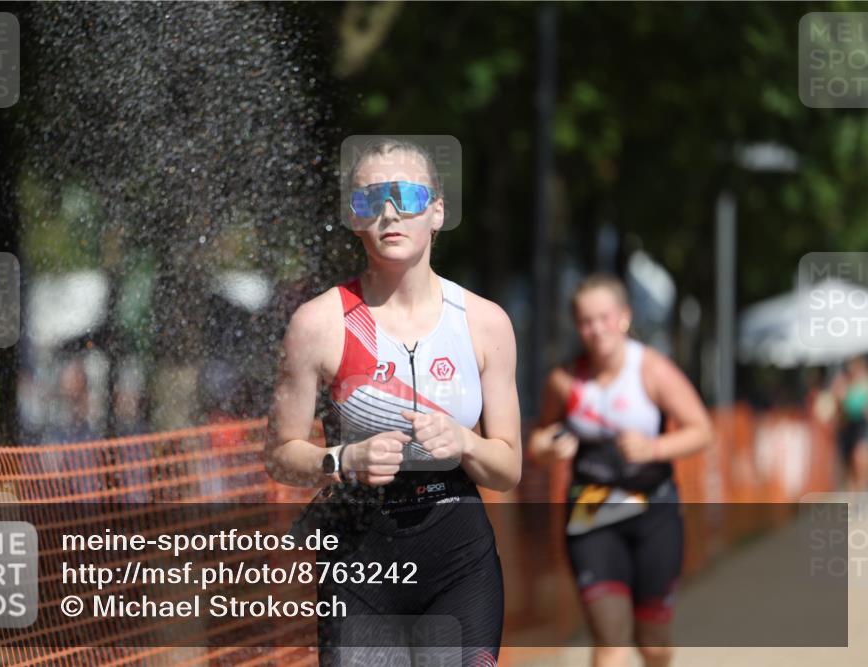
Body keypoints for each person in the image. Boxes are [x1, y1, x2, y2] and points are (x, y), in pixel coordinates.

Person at [266, 137, 521, 666]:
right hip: (360, 562)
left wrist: (465, 442)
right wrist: (342, 459)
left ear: (437, 211)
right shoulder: (318, 324)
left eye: (405, 195)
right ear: (354, 220)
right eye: (368, 201)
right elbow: (279, 455)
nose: (388, 213)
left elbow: (508, 468)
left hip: (457, 560)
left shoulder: (484, 322)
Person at [527, 274, 712, 667]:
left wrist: (654, 447)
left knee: (653, 643)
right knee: (610, 642)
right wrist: (546, 447)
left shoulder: (651, 370)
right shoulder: (564, 381)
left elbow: (702, 430)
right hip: (590, 512)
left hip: (655, 514)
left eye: (604, 318)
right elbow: (538, 441)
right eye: (585, 321)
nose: (596, 330)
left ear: (624, 317)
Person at [832, 356, 868, 491]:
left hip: (862, 427)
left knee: (859, 460)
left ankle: (862, 493)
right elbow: (839, 412)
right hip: (847, 428)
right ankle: (853, 501)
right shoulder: (843, 383)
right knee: (847, 467)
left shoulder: (865, 383)